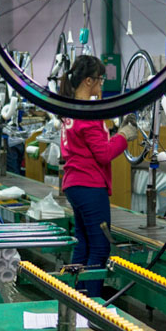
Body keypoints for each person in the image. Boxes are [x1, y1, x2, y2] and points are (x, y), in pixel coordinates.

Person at [59, 55, 138, 291]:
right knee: (100, 247)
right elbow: (103, 154)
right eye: (100, 80)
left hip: (75, 184)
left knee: (83, 244)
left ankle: (74, 299)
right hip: (90, 186)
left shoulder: (71, 108)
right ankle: (92, 306)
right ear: (88, 81)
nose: (102, 85)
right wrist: (123, 136)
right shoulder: (88, 113)